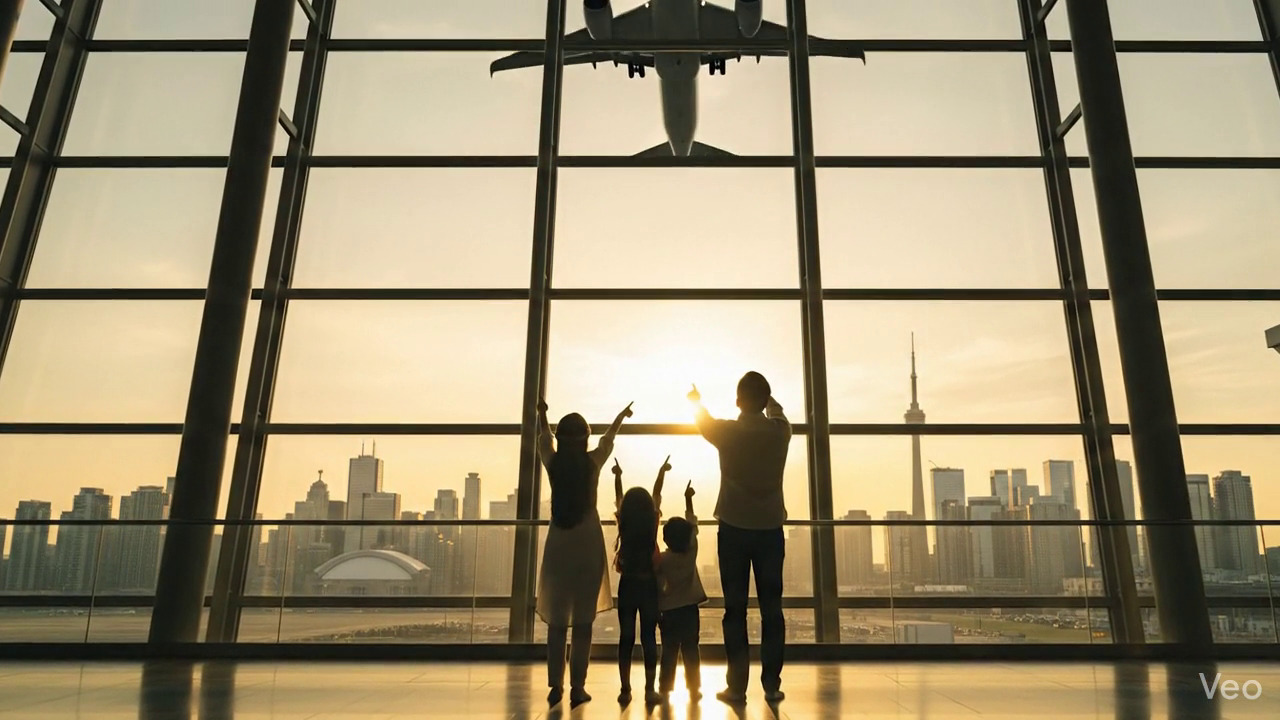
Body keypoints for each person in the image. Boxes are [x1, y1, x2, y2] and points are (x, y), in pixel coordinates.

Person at [688, 372, 791, 705]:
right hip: (770, 529)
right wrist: (770, 401)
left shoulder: (727, 432)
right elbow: (778, 411)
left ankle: (737, 687)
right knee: (772, 610)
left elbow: (702, 421)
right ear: (764, 401)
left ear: (737, 401)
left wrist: (696, 400)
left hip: (733, 527)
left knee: (735, 611)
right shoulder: (780, 432)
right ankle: (772, 684)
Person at [536, 399, 634, 708]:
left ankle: (555, 685)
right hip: (588, 545)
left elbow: (543, 439)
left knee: (556, 622)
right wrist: (620, 415)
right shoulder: (593, 463)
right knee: (582, 623)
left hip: (558, 546)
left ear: (561, 438)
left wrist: (542, 415)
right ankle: (578, 686)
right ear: (585, 438)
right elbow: (609, 440)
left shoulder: (552, 463)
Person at [611, 457, 668, 706]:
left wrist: (618, 476)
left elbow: (619, 498)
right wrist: (660, 472)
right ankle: (649, 689)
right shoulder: (651, 524)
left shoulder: (624, 523)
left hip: (628, 585)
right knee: (648, 638)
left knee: (626, 637)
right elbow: (657, 494)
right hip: (648, 586)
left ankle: (625, 689)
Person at [657, 480, 707, 702]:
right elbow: (693, 526)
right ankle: (693, 689)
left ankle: (665, 688)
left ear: (665, 538)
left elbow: (658, 585)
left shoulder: (663, 560)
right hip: (689, 610)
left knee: (669, 651)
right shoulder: (691, 554)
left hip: (669, 611)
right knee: (691, 650)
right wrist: (688, 499)